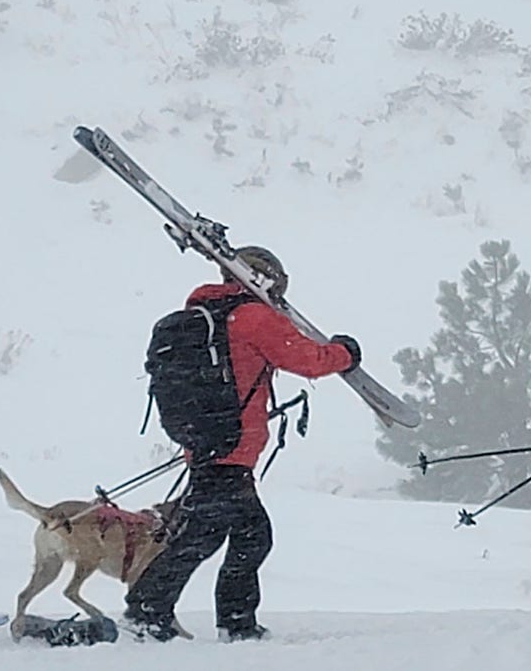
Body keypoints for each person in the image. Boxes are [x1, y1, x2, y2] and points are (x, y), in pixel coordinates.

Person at [123, 246, 362, 642]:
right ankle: (219, 622)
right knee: (251, 535)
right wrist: (346, 352)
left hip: (207, 446)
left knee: (205, 535)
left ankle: (156, 611)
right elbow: (309, 359)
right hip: (231, 449)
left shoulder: (208, 316)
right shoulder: (252, 317)